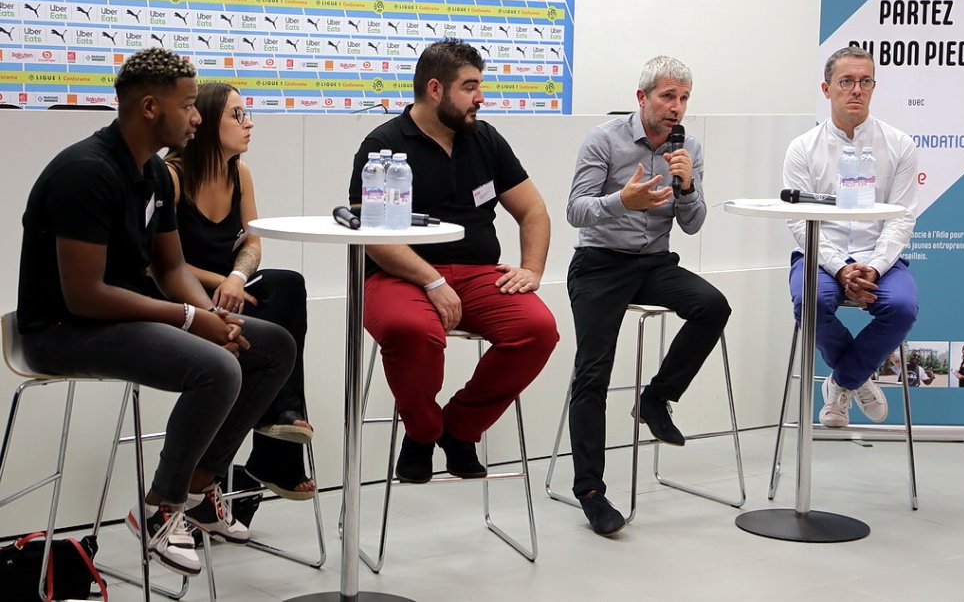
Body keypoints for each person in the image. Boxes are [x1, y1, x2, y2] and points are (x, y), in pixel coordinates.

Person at [15, 48, 295, 577]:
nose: (197, 118)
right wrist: (192, 322)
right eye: (188, 106)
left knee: (271, 344)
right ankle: (162, 508)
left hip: (123, 316)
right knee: (216, 368)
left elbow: (170, 268)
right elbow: (84, 296)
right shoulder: (86, 173)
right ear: (149, 107)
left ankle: (200, 483)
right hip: (63, 329)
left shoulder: (152, 173)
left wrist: (216, 315)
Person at [347, 38, 559, 485]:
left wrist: (533, 268)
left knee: (537, 330)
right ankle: (421, 434)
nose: (481, 97)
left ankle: (459, 429)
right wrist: (430, 280)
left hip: (477, 272)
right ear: (436, 89)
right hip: (399, 273)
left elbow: (533, 210)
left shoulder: (484, 138)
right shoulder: (383, 146)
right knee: (411, 331)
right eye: (470, 87)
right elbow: (372, 238)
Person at [565, 56, 731, 536]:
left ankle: (656, 398)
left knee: (712, 306)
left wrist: (687, 184)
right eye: (667, 97)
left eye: (683, 99)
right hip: (599, 265)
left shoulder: (688, 147)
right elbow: (576, 211)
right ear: (642, 98)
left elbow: (694, 224)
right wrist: (623, 200)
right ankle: (591, 493)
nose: (677, 108)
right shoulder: (604, 139)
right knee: (594, 372)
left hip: (654, 263)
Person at [165, 81, 316, 501]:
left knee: (288, 284)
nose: (248, 124)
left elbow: (252, 241)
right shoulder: (172, 176)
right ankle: (273, 458)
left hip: (234, 290)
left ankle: (277, 430)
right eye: (237, 115)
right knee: (267, 347)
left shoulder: (239, 173)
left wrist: (236, 276)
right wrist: (221, 281)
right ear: (209, 121)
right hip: (185, 297)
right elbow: (160, 263)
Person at [783, 46, 919, 428]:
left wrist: (872, 268)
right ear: (827, 89)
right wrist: (841, 269)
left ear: (874, 87)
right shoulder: (802, 149)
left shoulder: (899, 144)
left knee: (903, 307)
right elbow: (799, 221)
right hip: (819, 255)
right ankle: (858, 376)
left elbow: (902, 218)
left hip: (880, 258)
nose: (856, 90)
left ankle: (843, 381)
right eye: (846, 81)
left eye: (865, 81)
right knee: (810, 300)